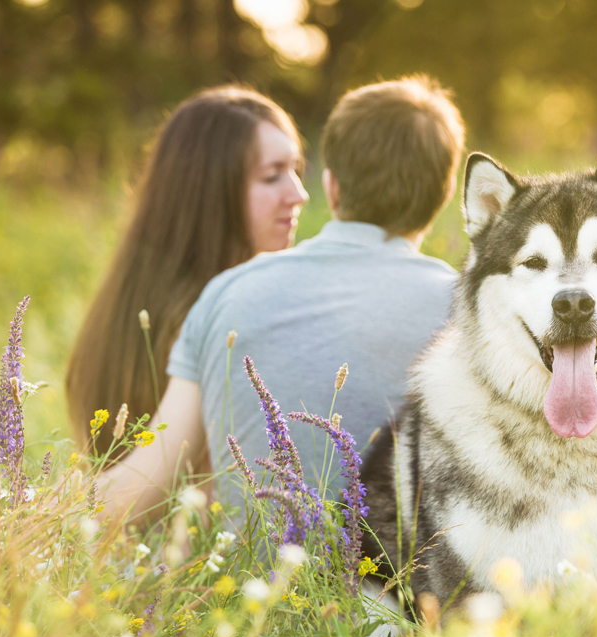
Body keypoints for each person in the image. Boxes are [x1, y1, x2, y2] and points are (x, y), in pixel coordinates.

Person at [101, 75, 465, 518]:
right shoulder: (469, 309)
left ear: (331, 185)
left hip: (253, 583)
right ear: (445, 195)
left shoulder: (225, 294)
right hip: (407, 584)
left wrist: (18, 523)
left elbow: (145, 480)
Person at [66, 87, 308, 513]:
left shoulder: (132, 302)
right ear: (211, 192)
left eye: (296, 170)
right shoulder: (216, 321)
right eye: (273, 176)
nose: (298, 194)